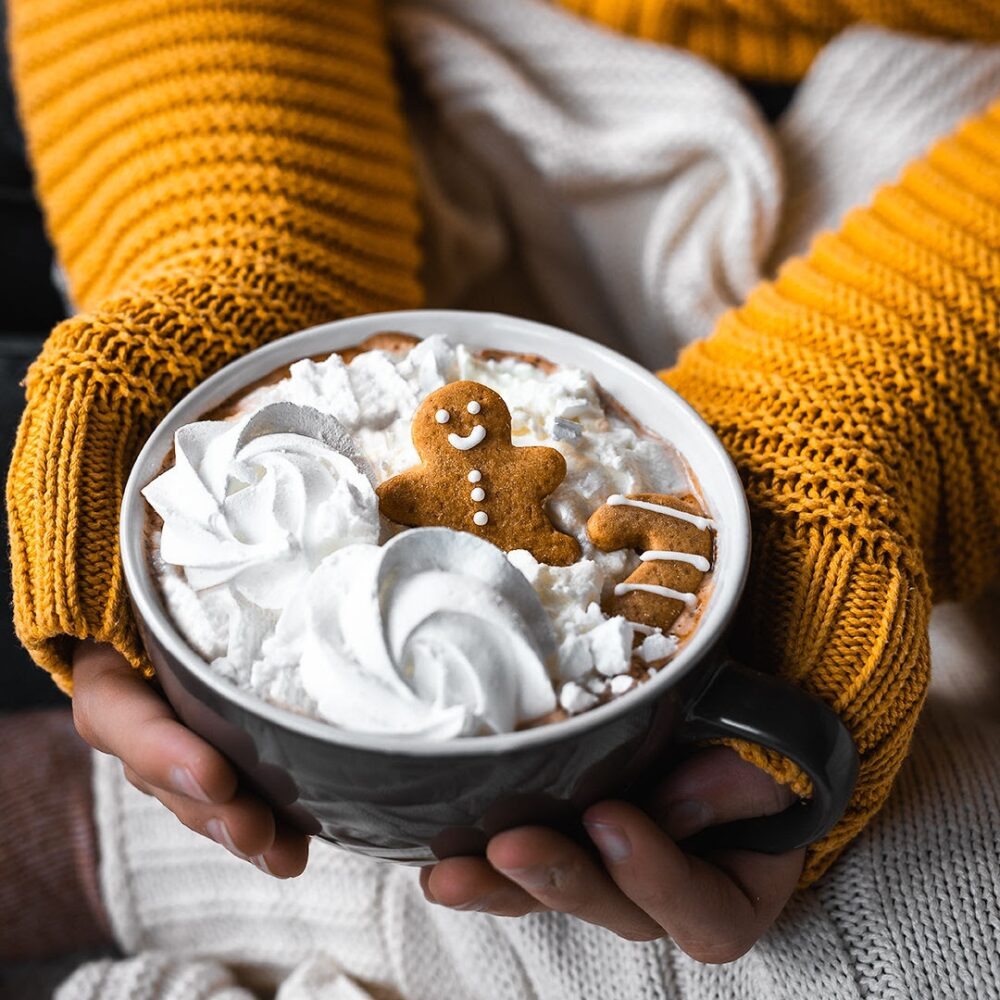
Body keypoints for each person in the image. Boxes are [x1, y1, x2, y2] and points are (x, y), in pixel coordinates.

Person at [3, 0, 998, 995]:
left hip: (940, 190)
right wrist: (243, 252)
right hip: (368, 106)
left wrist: (893, 389)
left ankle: (110, 839)